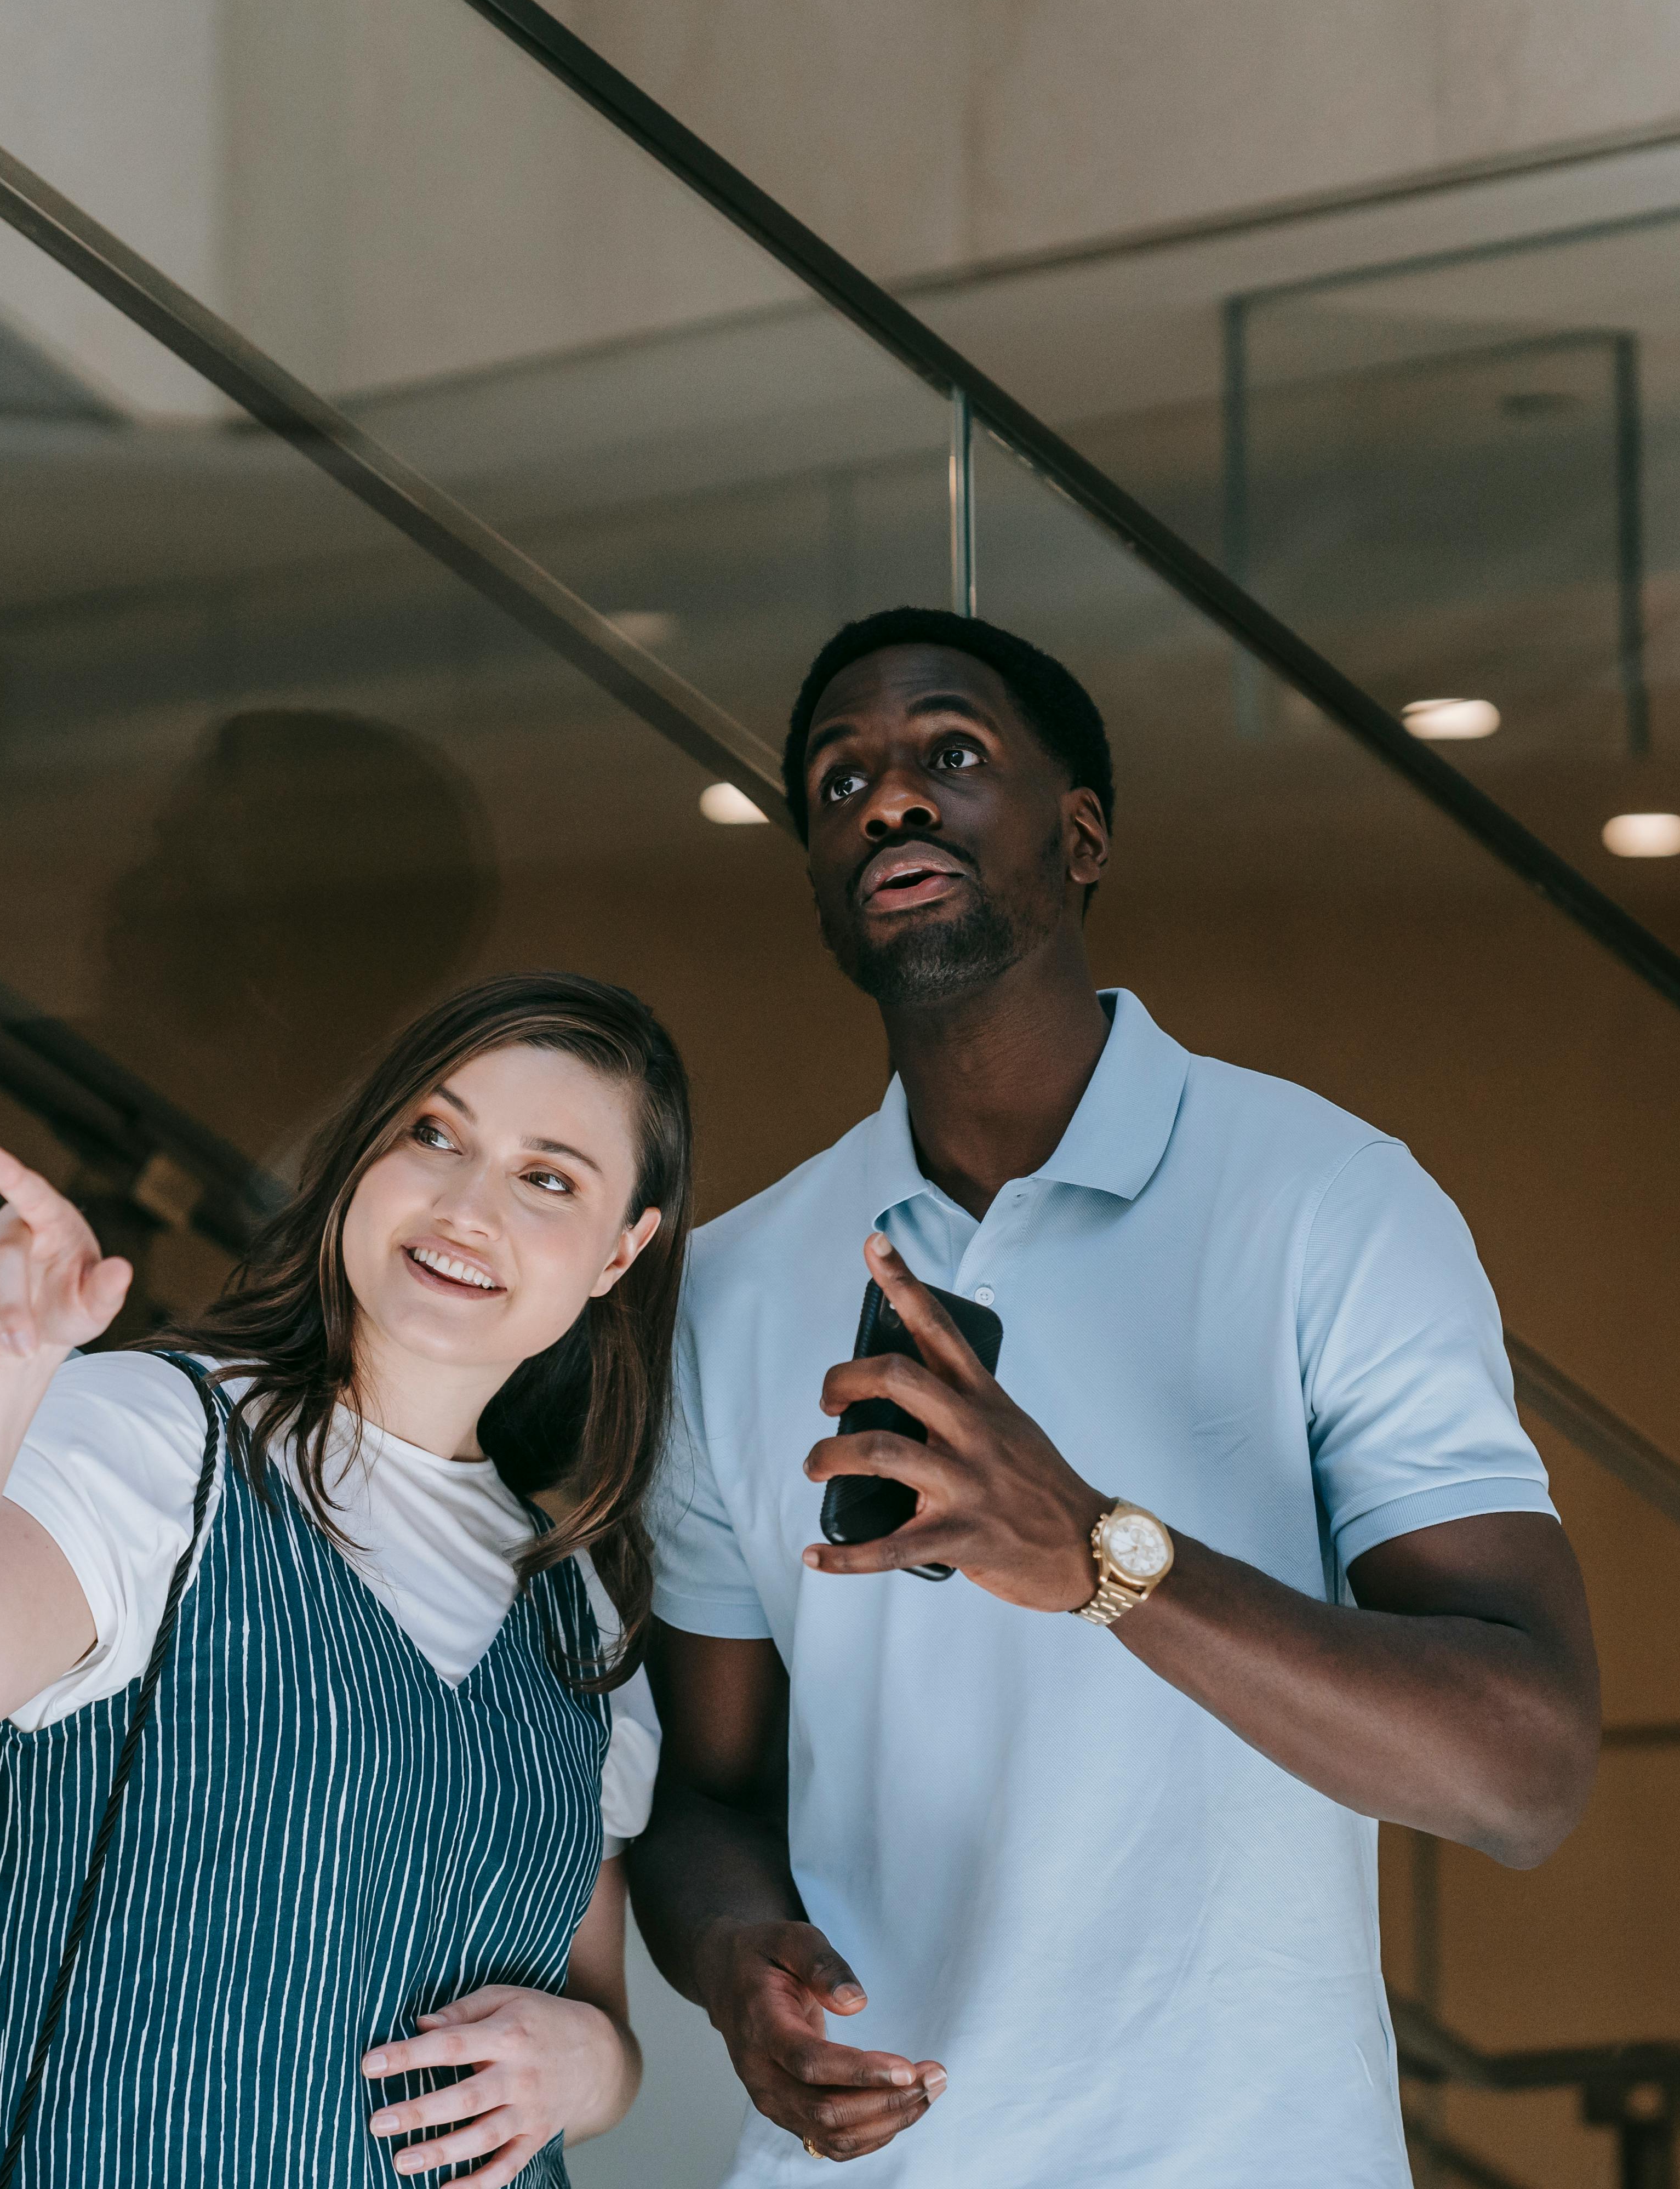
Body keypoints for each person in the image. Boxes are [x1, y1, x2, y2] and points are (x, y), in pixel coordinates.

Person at [630, 609, 1603, 2184]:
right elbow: (709, 1797)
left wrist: (1097, 1556)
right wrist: (740, 1968)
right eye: (837, 783)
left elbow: (1526, 1770)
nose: (885, 800)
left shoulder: (1328, 1205)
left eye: (950, 755)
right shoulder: (733, 1289)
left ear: (1080, 838)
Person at [0, 973, 690, 2188]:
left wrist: (597, 2072)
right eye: (435, 1133)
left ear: (623, 1250)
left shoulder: (579, 1611)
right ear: (365, 1155)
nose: (469, 1204)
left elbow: (599, 2024)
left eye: (548, 1177)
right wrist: (2, 1362)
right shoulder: (165, 1444)